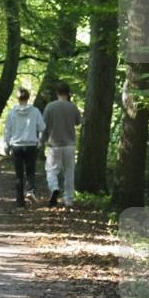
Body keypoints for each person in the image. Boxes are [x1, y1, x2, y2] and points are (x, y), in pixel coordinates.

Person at [41, 81, 82, 210]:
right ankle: (69, 200)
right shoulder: (73, 107)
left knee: (51, 170)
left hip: (54, 145)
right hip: (69, 144)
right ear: (68, 93)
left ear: (57, 93)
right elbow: (78, 122)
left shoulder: (50, 107)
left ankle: (54, 188)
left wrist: (42, 141)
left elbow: (43, 126)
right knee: (69, 173)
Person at [3, 88, 45, 208]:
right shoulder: (35, 111)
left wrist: (6, 144)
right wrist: (40, 142)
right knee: (30, 171)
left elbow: (8, 130)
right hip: (31, 145)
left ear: (17, 98)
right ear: (28, 97)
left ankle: (19, 201)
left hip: (16, 146)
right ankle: (30, 191)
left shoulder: (12, 112)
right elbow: (42, 127)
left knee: (19, 174)